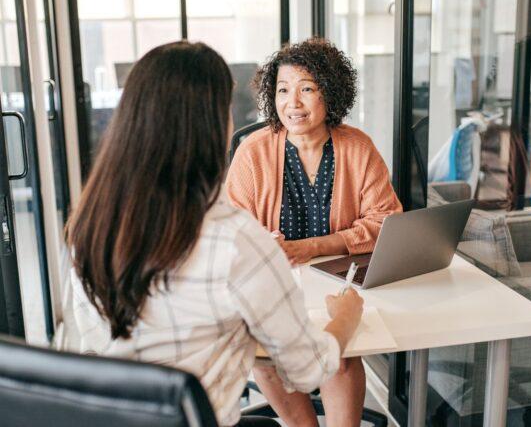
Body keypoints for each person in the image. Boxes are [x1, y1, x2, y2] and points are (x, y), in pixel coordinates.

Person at [66, 41, 364, 427]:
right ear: (211, 126)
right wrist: (344, 319)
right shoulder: (235, 240)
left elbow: (93, 345)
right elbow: (307, 369)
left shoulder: (88, 228)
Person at [226, 38, 402, 426]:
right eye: (283, 90)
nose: (293, 103)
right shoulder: (252, 153)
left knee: (341, 357)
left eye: (307, 89)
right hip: (274, 282)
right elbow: (231, 230)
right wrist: (259, 246)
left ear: (330, 93)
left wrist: (313, 247)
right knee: (267, 354)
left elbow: (385, 220)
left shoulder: (358, 148)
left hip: (339, 278)